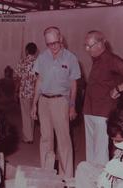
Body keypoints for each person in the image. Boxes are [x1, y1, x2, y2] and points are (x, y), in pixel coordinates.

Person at [83, 30, 123, 165]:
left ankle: (100, 181)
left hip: (103, 112)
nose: (86, 49)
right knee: (90, 150)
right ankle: (90, 178)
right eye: (85, 45)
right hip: (89, 110)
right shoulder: (96, 59)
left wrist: (118, 88)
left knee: (100, 151)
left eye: (89, 46)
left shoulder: (112, 60)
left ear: (100, 44)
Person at [31, 26, 81, 178]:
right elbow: (39, 81)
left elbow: (74, 84)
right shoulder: (42, 57)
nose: (52, 47)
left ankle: (66, 177)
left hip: (61, 102)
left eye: (54, 43)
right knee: (45, 139)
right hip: (44, 102)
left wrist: (72, 106)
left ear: (61, 39)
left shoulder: (70, 58)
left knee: (64, 139)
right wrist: (34, 103)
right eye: (48, 44)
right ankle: (46, 173)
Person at [15, 42, 38, 144]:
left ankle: (28, 137)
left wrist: (16, 90)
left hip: (24, 91)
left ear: (27, 51)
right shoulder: (38, 62)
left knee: (25, 114)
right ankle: (30, 135)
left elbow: (18, 78)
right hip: (35, 92)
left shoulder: (22, 62)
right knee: (32, 113)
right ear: (36, 51)